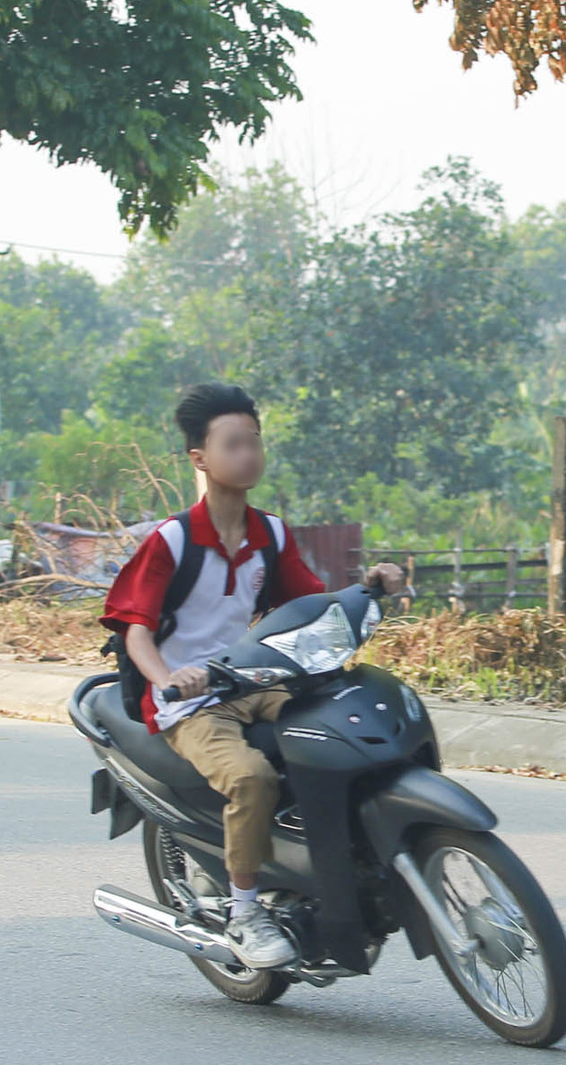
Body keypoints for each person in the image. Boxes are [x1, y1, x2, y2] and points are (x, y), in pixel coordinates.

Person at [100, 383, 404, 969]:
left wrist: (369, 586)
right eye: (234, 445)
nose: (249, 455)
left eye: (255, 442)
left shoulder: (271, 535)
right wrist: (169, 677)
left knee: (338, 731)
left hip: (254, 681)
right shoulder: (172, 540)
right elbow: (134, 627)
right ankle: (244, 914)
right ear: (200, 459)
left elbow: (312, 603)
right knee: (251, 778)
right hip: (191, 703)